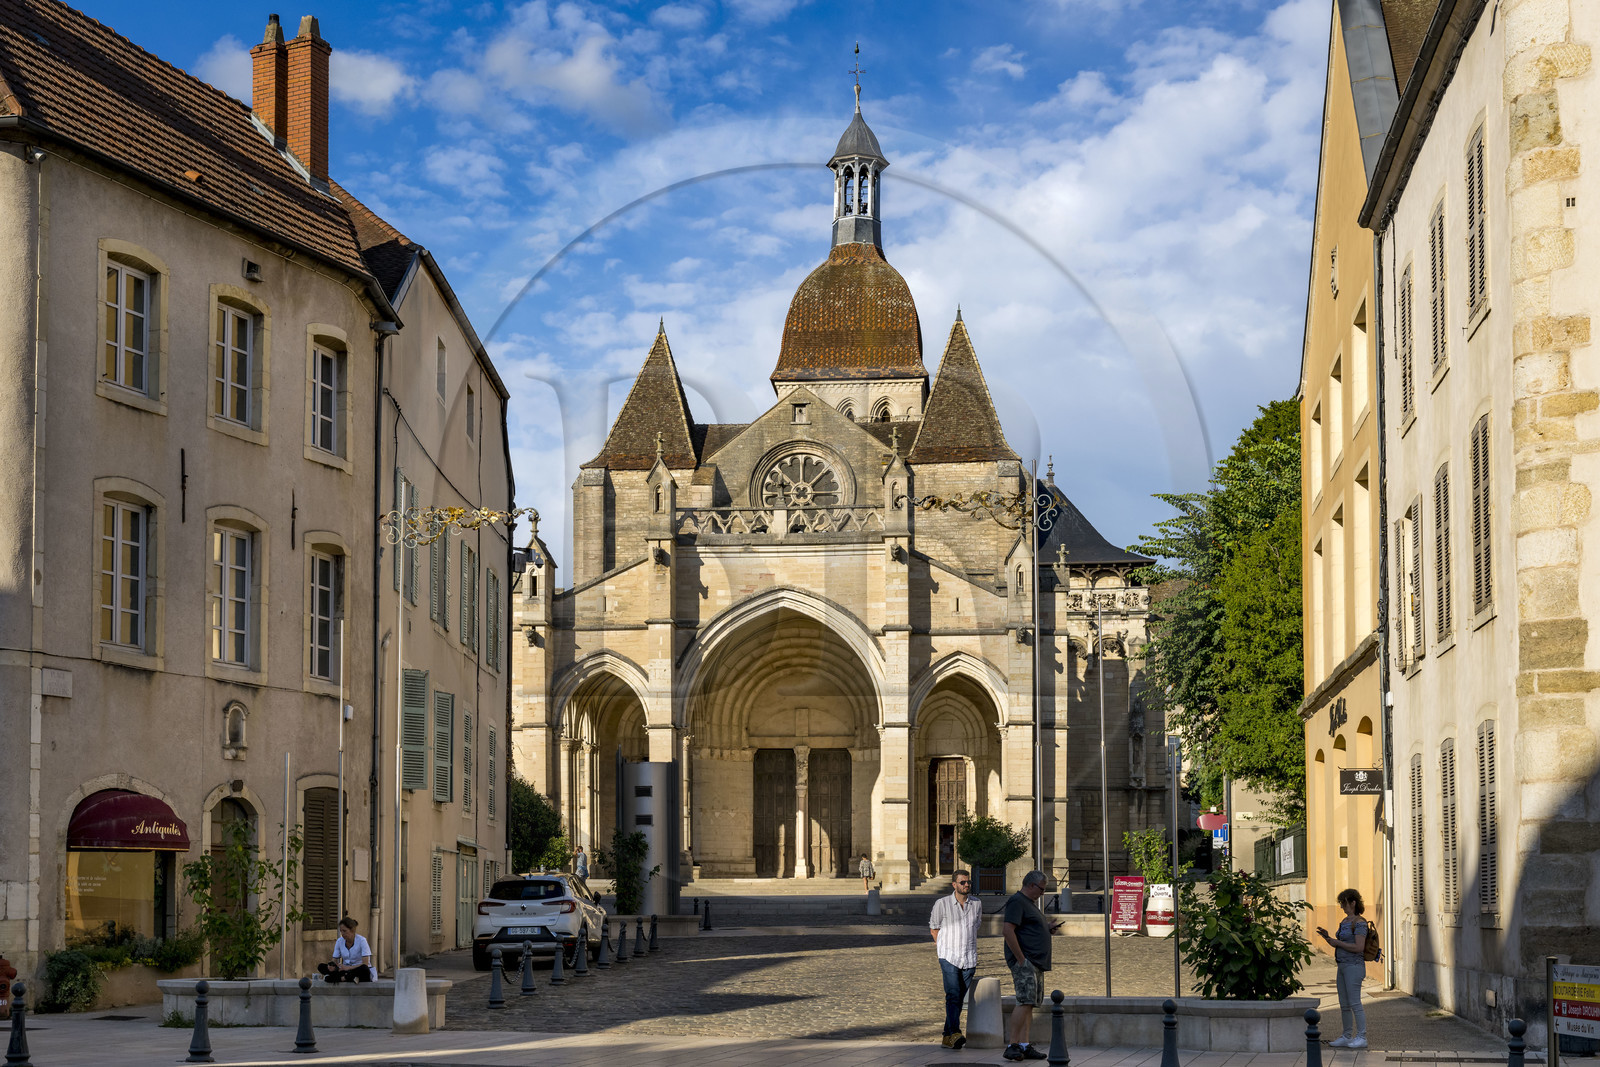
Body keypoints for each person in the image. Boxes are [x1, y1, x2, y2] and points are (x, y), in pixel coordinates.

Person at [1002, 870, 1060, 1061]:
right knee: (1024, 1001)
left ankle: (1025, 1045)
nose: (1043, 893)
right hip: (1025, 961)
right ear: (1031, 885)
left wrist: (1047, 928)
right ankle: (1013, 1044)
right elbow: (1008, 930)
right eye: (1041, 889)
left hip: (1035, 962)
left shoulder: (1030, 904)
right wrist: (1020, 959)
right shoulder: (1017, 902)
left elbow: (1027, 928)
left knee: (1030, 1004)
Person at [929, 869, 983, 1049]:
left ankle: (946, 1036)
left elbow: (976, 926)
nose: (966, 885)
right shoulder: (942, 904)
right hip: (948, 956)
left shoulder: (976, 904)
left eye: (968, 882)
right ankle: (955, 1032)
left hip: (969, 957)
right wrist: (943, 947)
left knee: (959, 998)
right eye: (962, 882)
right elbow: (934, 928)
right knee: (952, 995)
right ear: (954, 885)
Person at [1315, 888, 1370, 1049]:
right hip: (1343, 966)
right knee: (1344, 1004)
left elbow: (1359, 947)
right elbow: (1341, 943)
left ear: (1353, 903)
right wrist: (1328, 937)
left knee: (1355, 1003)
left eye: (1343, 903)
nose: (1341, 906)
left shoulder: (1360, 923)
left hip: (1354, 966)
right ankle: (1346, 1036)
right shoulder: (1345, 922)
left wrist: (1337, 943)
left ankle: (1361, 1036)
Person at [317, 918, 373, 982]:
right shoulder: (339, 941)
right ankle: (348, 978)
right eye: (341, 931)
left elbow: (365, 963)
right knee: (321, 966)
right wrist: (332, 966)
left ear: (352, 930)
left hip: (357, 969)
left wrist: (348, 968)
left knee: (364, 969)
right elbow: (335, 959)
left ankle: (340, 978)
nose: (342, 933)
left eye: (344, 931)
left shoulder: (362, 941)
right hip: (344, 970)